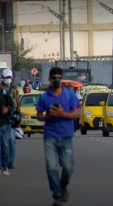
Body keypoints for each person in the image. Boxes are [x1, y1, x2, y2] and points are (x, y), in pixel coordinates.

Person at [36, 67, 80, 206]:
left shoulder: (69, 95)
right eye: (54, 77)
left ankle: (63, 186)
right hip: (50, 135)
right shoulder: (44, 97)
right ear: (49, 79)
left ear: (62, 79)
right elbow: (38, 116)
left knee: (68, 167)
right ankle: (57, 195)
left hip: (66, 135)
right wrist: (49, 116)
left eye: (59, 77)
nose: (56, 80)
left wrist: (62, 114)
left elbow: (75, 114)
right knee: (51, 167)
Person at [0, 69, 19, 170]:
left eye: (9, 77)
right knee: (3, 141)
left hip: (12, 116)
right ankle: (2, 160)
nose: (8, 79)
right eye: (6, 77)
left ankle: (10, 161)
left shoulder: (14, 88)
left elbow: (17, 101)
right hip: (1, 116)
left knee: (12, 140)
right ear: (3, 77)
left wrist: (18, 115)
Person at [0, 77, 12, 177]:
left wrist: (7, 109)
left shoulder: (4, 92)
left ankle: (5, 167)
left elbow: (11, 105)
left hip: (4, 125)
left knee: (5, 147)